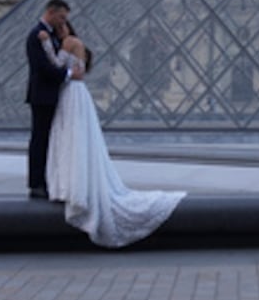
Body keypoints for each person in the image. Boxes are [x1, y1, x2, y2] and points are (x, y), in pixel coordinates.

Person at [41, 21, 186, 248]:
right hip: (78, 95)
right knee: (77, 140)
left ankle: (72, 187)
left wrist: (47, 45)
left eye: (61, 28)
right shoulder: (77, 43)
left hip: (71, 94)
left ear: (68, 28)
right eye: (57, 30)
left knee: (71, 140)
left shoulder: (68, 43)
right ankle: (74, 185)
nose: (59, 32)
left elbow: (58, 66)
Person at [25, 0, 78, 200]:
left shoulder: (51, 35)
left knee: (47, 139)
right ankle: (36, 183)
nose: (63, 22)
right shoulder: (36, 35)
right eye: (62, 17)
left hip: (50, 94)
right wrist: (68, 75)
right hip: (42, 95)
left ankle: (45, 180)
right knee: (40, 139)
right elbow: (42, 67)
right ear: (51, 12)